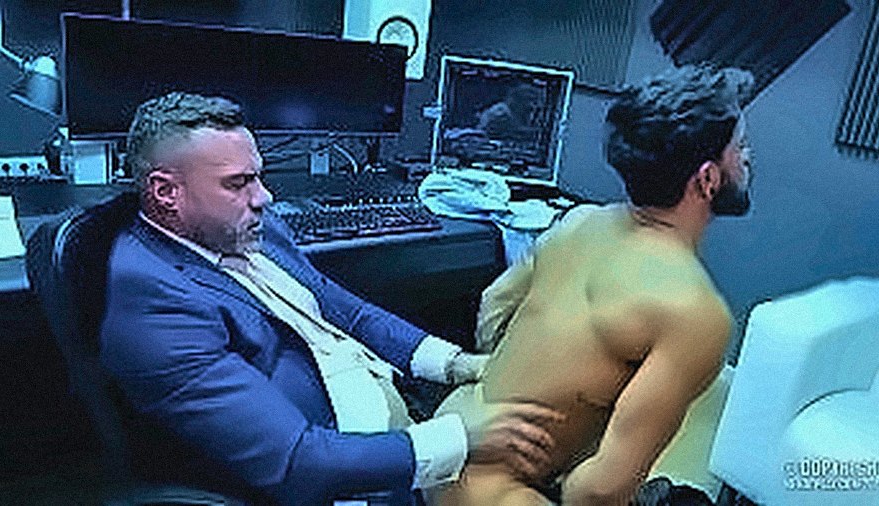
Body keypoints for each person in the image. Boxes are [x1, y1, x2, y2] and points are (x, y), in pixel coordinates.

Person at [99, 92, 562, 505]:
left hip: (395, 421)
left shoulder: (248, 228)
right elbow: (299, 462)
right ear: (166, 192)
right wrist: (463, 439)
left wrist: (455, 363)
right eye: (238, 183)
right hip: (347, 474)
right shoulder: (152, 305)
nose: (264, 197)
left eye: (259, 177)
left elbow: (344, 310)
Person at [431, 64, 754, 506]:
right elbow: (597, 492)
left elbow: (494, 304)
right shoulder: (694, 312)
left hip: (452, 428)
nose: (748, 157)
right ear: (707, 179)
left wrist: (526, 380)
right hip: (493, 491)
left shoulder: (581, 220)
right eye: (741, 146)